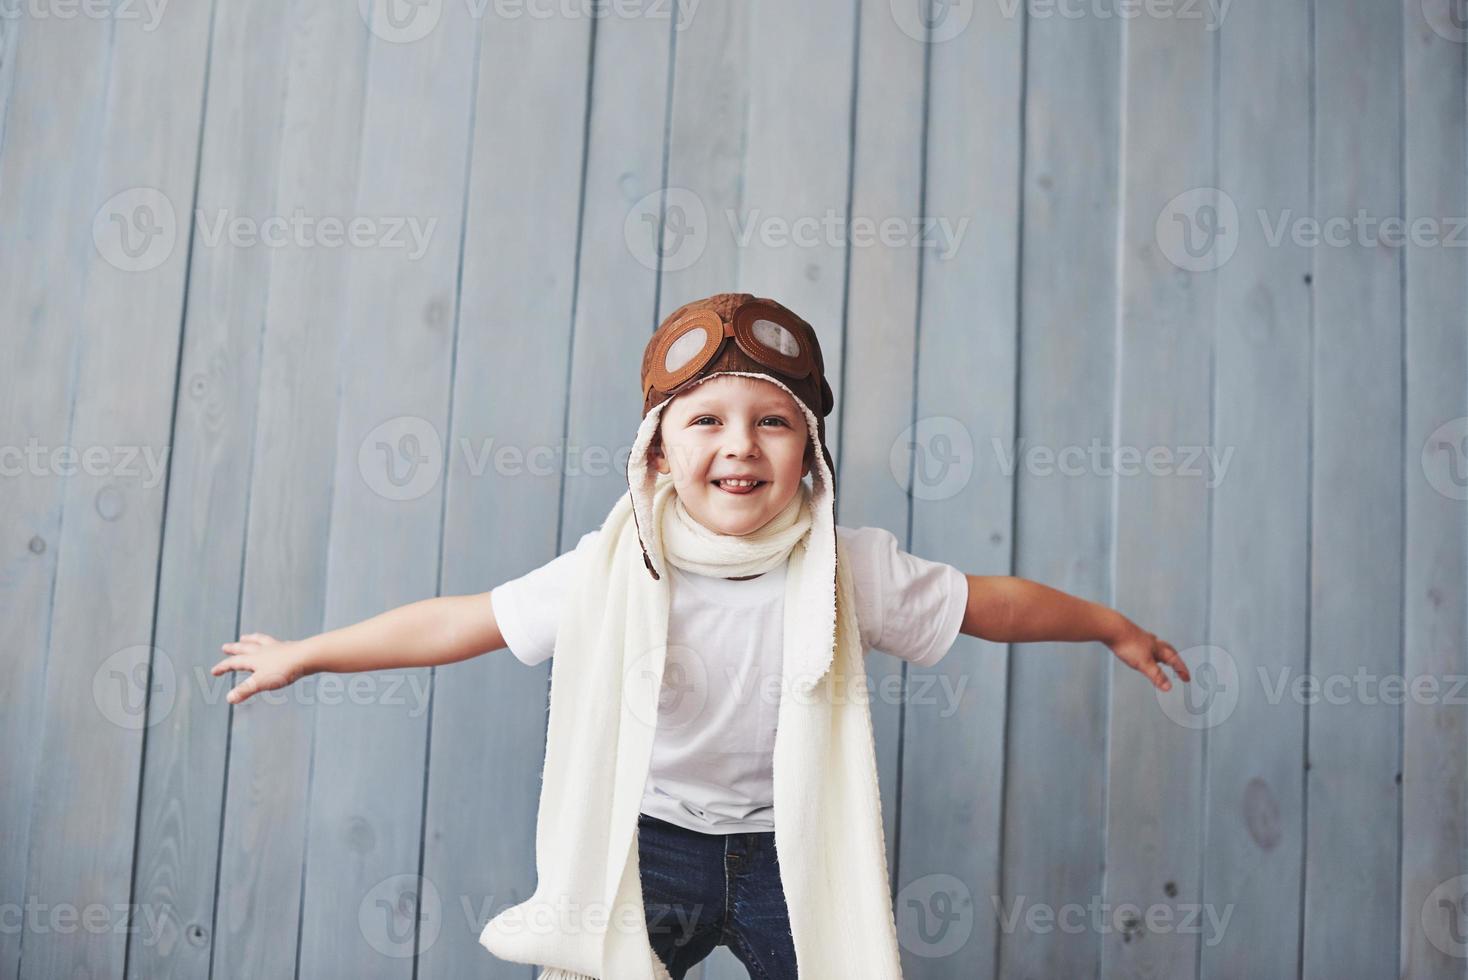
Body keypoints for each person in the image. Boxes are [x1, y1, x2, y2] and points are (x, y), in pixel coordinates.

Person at [212, 292, 1189, 979]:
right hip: (652, 844)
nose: (738, 444)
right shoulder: (611, 568)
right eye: (706, 419)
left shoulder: (845, 565)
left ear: (808, 452)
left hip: (790, 847)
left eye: (772, 421)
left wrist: (1111, 627)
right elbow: (459, 620)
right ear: (658, 448)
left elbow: (988, 602)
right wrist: (308, 650)